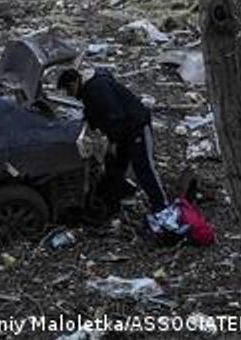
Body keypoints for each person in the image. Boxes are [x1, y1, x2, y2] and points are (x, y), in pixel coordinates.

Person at [57, 65, 181, 234]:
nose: (70, 95)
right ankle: (117, 197)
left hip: (136, 127)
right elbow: (94, 113)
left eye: (68, 90)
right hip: (124, 131)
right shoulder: (90, 87)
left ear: (74, 82)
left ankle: (162, 207)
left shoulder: (97, 89)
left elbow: (115, 116)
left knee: (144, 168)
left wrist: (112, 142)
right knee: (116, 167)